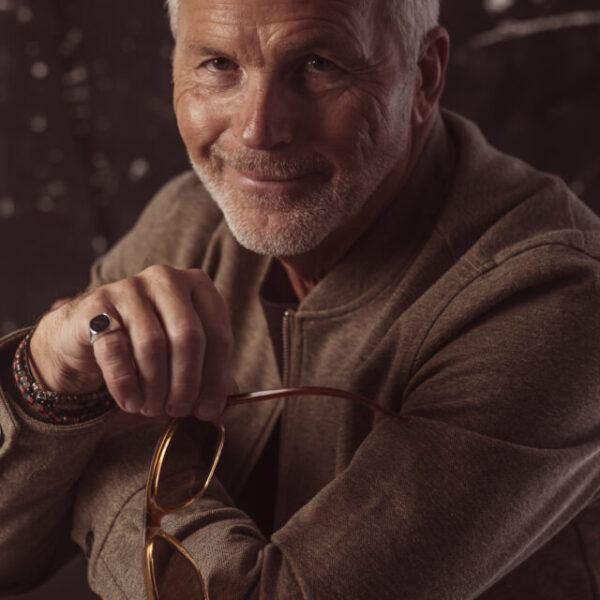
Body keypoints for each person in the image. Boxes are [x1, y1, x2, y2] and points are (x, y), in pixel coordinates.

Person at [1, 0, 599, 598]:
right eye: (219, 64)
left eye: (318, 64)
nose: (259, 130)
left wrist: (107, 439)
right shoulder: (189, 221)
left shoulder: (553, 299)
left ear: (423, 76)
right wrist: (46, 372)